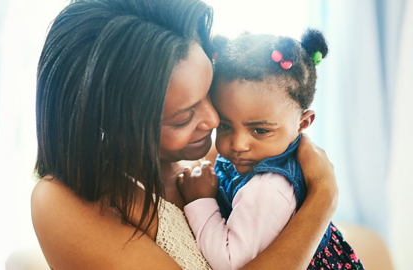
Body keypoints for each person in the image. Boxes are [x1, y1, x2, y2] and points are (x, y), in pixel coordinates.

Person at [31, 0, 339, 269]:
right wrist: (323, 196)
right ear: (117, 126)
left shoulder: (227, 161)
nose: (214, 119)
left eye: (209, 93)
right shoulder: (63, 201)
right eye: (183, 117)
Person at [178, 30, 364, 270]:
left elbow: (229, 262)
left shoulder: (269, 187)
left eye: (260, 131)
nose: (238, 144)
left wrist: (200, 200)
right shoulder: (249, 159)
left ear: (302, 124)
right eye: (224, 126)